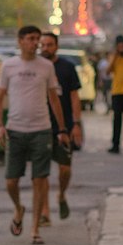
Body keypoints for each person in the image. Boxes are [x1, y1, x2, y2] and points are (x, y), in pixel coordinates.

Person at [0, 25, 67, 245]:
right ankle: (19, 209)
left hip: (41, 130)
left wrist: (62, 129)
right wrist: (0, 126)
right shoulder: (9, 66)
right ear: (20, 41)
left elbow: (54, 99)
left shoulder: (46, 67)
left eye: (37, 39)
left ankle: (35, 229)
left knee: (40, 179)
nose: (35, 43)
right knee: (11, 181)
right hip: (15, 129)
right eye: (31, 39)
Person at [38, 31, 82, 223]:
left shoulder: (67, 67)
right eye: (43, 45)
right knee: (42, 171)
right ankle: (45, 210)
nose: (45, 48)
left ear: (56, 46)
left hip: (63, 126)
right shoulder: (36, 68)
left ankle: (62, 195)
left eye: (49, 45)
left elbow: (74, 96)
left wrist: (77, 123)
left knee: (65, 169)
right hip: (40, 126)